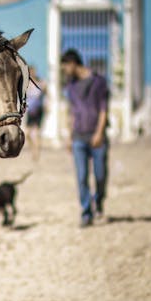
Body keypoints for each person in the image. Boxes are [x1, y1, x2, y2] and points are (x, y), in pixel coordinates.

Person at [61, 48, 110, 227]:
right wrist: (68, 136)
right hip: (78, 138)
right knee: (81, 177)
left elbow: (104, 110)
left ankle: (99, 204)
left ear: (73, 63)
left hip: (97, 137)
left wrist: (99, 133)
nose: (65, 70)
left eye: (65, 66)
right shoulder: (71, 86)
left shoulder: (99, 82)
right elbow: (72, 112)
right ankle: (86, 212)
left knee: (100, 176)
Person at [24, 65, 46, 161]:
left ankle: (36, 153)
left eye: (33, 71)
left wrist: (46, 105)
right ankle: (33, 150)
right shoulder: (27, 84)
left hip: (38, 110)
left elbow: (46, 95)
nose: (32, 73)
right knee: (28, 134)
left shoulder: (41, 83)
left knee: (36, 133)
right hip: (29, 111)